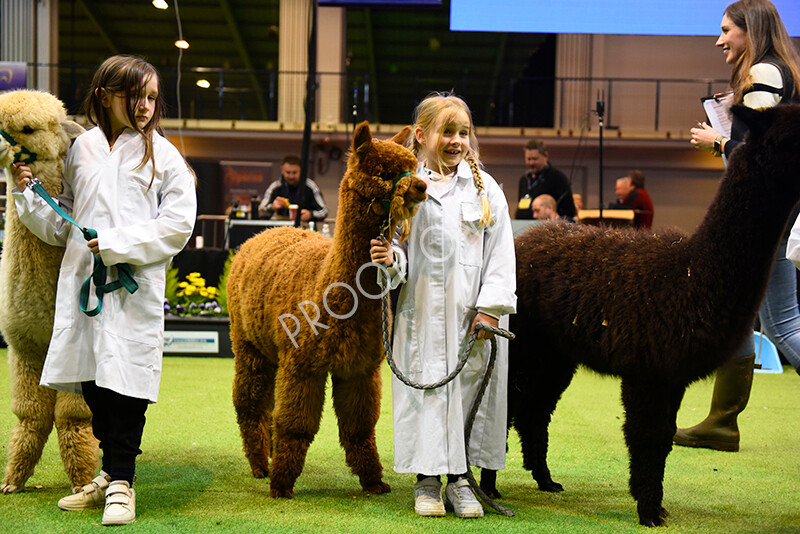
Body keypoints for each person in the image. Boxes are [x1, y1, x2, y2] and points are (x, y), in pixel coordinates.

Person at [10, 55, 197, 525]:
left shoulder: (165, 156)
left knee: (127, 383)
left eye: (153, 97)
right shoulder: (82, 149)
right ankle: (110, 475)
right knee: (92, 379)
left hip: (133, 290)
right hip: (84, 284)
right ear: (104, 96)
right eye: (137, 95)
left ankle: (121, 483)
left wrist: (115, 244)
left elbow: (178, 225)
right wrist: (26, 195)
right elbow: (61, 223)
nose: (146, 105)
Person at [369, 92, 516, 518]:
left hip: (473, 318)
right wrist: (390, 260)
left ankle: (462, 481)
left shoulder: (487, 190)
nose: (456, 141)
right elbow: (398, 254)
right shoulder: (405, 188)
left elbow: (501, 256)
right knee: (428, 393)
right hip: (423, 316)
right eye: (446, 131)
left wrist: (490, 309)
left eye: (463, 132)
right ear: (421, 135)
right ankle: (427, 481)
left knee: (468, 395)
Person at [676, 0, 800, 451]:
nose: (719, 39)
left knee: (783, 324)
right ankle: (721, 422)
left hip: (769, 219)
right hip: (774, 215)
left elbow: (761, 157)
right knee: (742, 316)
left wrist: (719, 140)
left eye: (727, 29)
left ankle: (722, 422)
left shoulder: (765, 74)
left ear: (751, 31)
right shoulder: (779, 71)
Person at [515, 139, 576, 220]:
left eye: (535, 159)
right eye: (528, 159)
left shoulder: (558, 178)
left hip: (546, 228)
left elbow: (569, 211)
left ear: (546, 156)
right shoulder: (524, 180)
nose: (531, 163)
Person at [257, 154, 328, 222]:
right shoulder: (275, 187)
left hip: (304, 230)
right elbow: (260, 211)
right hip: (280, 231)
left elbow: (324, 211)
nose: (291, 176)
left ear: (301, 171)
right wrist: (272, 207)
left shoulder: (310, 186)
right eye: (288, 172)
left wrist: (310, 214)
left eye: (294, 173)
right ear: (282, 170)